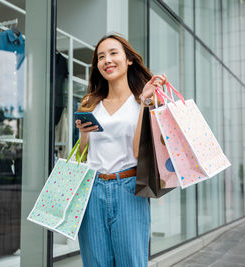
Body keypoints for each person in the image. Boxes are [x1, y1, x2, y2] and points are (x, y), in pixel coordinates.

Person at [75, 34, 167, 266]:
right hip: (91, 190)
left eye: (113, 53)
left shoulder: (141, 101)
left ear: (129, 60)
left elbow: (139, 153)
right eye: (101, 57)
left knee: (131, 262)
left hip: (129, 190)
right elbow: (80, 156)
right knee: (95, 262)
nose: (107, 60)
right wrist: (84, 134)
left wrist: (146, 103)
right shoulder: (90, 102)